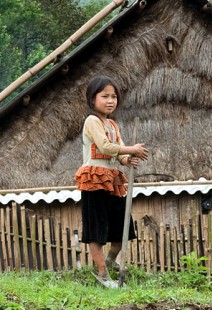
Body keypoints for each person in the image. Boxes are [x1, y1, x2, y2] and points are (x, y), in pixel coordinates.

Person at [74, 76, 149, 287]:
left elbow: (118, 152)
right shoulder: (92, 121)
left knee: (121, 227)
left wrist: (128, 159)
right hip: (94, 179)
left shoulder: (112, 124)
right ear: (92, 99)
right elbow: (106, 147)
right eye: (105, 96)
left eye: (114, 96)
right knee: (96, 230)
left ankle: (109, 261)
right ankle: (102, 273)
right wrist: (130, 149)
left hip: (112, 180)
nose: (110, 100)